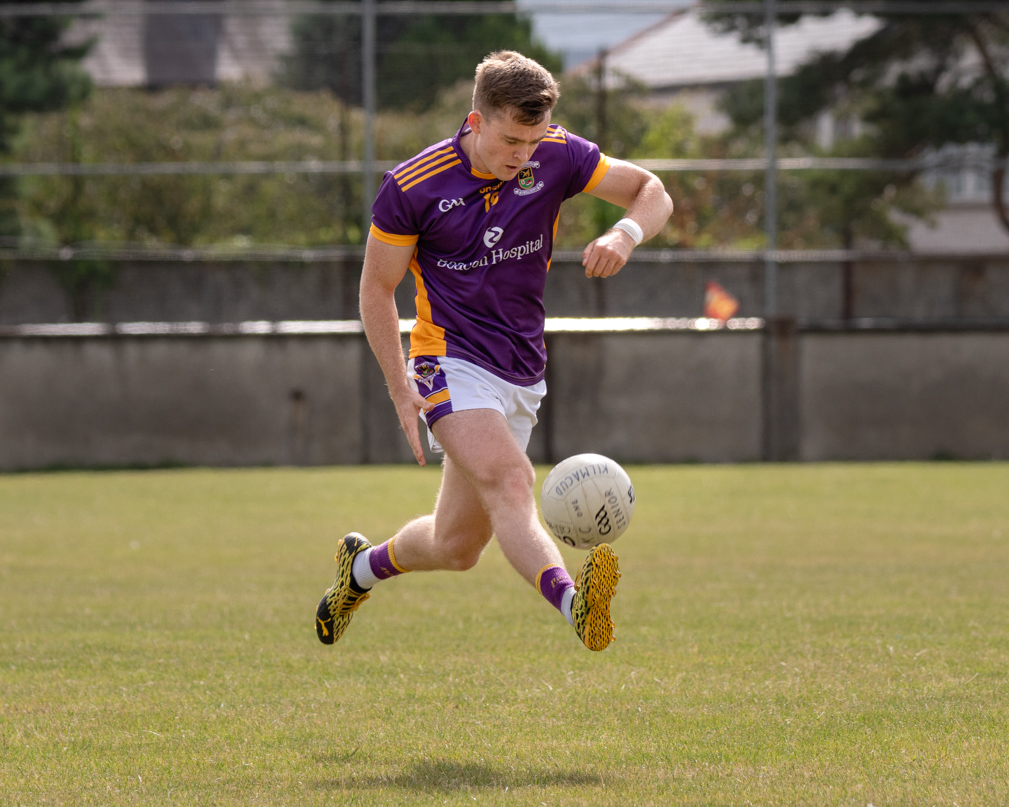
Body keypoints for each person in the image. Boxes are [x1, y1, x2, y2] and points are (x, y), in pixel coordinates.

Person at [315, 51, 673, 652]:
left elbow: (650, 191)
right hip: (446, 362)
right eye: (511, 139)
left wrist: (624, 232)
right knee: (513, 482)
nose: (524, 155)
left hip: (521, 371)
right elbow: (376, 290)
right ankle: (574, 604)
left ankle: (358, 570)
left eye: (533, 141)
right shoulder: (412, 185)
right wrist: (400, 388)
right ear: (475, 122)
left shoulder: (555, 153)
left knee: (456, 549)